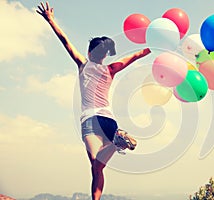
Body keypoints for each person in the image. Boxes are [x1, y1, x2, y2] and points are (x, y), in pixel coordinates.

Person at [36, 2, 151, 200]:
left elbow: (65, 41)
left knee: (96, 167)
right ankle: (116, 142)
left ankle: (116, 144)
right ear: (105, 55)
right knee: (99, 166)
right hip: (109, 120)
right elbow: (137, 55)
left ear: (89, 53)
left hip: (90, 121)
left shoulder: (82, 64)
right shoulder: (111, 69)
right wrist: (155, 45)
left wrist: (50, 20)